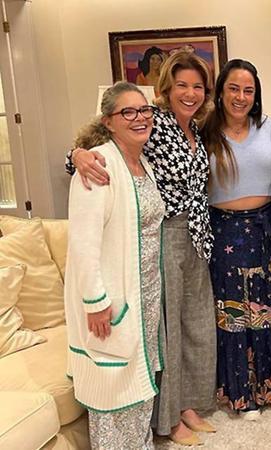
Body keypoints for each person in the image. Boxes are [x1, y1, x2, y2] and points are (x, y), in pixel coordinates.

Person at [66, 51, 217, 446]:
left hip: (198, 236)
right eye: (182, 85)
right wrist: (76, 155)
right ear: (166, 89)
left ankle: (187, 405)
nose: (190, 93)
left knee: (195, 327)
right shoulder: (154, 123)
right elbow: (92, 154)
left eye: (198, 86)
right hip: (167, 234)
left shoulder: (195, 128)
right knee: (168, 335)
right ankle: (168, 418)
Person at [201, 59, 271, 419]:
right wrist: (78, 154)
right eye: (233, 88)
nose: (241, 96)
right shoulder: (204, 131)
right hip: (225, 231)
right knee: (236, 313)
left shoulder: (270, 127)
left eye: (248, 90)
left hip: (269, 227)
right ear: (220, 91)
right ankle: (242, 394)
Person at [64, 82, 163, 449]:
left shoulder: (143, 163)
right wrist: (95, 302)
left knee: (139, 384)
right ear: (108, 121)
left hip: (146, 292)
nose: (140, 118)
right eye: (128, 112)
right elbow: (83, 243)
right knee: (112, 391)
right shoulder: (97, 165)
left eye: (145, 110)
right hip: (112, 298)